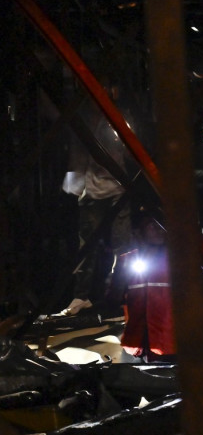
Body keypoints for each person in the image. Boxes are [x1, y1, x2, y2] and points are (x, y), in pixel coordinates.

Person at [61, 98, 133, 317]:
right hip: (93, 190)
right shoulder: (82, 119)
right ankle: (81, 296)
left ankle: (120, 293)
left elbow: (127, 148)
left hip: (116, 187)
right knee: (87, 246)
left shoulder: (117, 117)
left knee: (123, 246)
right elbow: (77, 152)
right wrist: (74, 185)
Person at [107, 207, 175, 363]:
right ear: (140, 230)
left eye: (160, 225)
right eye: (152, 225)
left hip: (170, 340)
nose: (158, 230)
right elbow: (113, 297)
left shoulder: (178, 259)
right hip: (140, 340)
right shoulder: (127, 260)